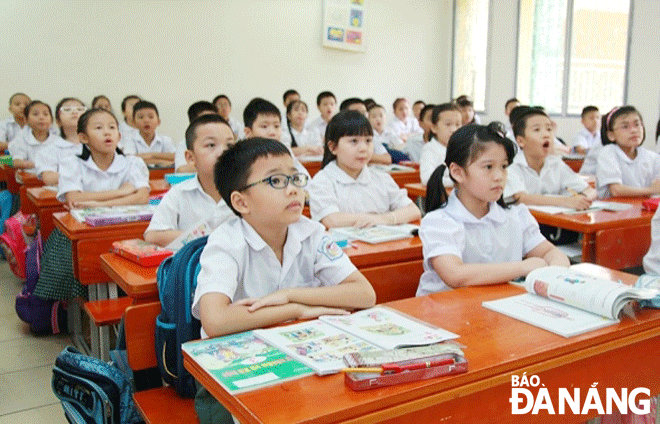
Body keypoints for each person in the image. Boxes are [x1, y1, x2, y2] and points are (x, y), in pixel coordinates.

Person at [191, 137, 376, 424]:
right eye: (276, 181)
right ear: (241, 202)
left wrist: (290, 294)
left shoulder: (311, 232)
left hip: (300, 359)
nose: (293, 189)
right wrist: (296, 310)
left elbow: (364, 294)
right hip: (232, 375)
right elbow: (215, 320)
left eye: (295, 178)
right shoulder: (226, 243)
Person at [417, 123, 569, 296]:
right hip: (444, 312)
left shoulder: (517, 215)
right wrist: (523, 267)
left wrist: (554, 273)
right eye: (488, 167)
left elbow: (549, 252)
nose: (499, 177)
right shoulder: (439, 221)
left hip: (497, 306)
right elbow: (455, 275)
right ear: (458, 172)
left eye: (504, 167)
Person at [35, 108, 149, 301]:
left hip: (124, 230)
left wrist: (93, 202)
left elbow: (142, 198)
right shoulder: (71, 162)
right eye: (98, 128)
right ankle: (76, 315)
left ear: (119, 135)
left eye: (112, 127)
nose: (107, 132)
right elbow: (75, 199)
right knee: (77, 270)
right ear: (83, 138)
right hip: (80, 233)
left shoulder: (133, 163)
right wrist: (122, 192)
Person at [308, 110, 421, 228]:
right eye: (353, 141)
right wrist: (378, 219)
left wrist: (383, 219)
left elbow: (413, 210)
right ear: (332, 147)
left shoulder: (381, 178)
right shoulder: (322, 180)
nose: (363, 148)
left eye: (368, 141)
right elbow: (332, 220)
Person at [144, 114, 235, 247]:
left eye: (230, 145)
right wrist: (209, 236)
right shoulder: (179, 193)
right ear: (190, 157)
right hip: (192, 265)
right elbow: (153, 236)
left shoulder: (247, 192)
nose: (223, 152)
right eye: (211, 145)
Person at [504, 107, 596, 209]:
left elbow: (589, 190)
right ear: (521, 141)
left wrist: (582, 199)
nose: (546, 134)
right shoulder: (512, 166)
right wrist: (567, 201)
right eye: (537, 130)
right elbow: (521, 198)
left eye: (549, 129)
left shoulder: (555, 164)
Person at [596, 106, 660, 198]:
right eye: (625, 127)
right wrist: (652, 190)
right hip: (613, 209)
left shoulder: (653, 157)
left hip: (643, 208)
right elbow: (616, 190)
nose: (634, 130)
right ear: (611, 135)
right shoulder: (609, 152)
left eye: (637, 124)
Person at [242, 97, 310, 177]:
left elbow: (303, 176)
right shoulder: (244, 158)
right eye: (264, 126)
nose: (272, 132)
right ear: (248, 133)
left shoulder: (285, 151)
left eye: (276, 126)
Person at [36, 98, 87, 185]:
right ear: (58, 121)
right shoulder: (48, 150)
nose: (75, 112)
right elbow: (49, 178)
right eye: (67, 109)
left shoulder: (99, 145)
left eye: (80, 109)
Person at [8, 100, 61, 174]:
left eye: (45, 114)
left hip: (55, 180)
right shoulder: (22, 139)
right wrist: (40, 164)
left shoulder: (58, 140)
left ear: (51, 120)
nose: (41, 117)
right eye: (35, 114)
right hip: (30, 179)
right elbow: (16, 162)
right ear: (26, 120)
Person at [419, 103, 462, 186]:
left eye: (457, 125)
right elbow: (427, 179)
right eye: (448, 124)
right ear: (434, 128)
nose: (454, 129)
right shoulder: (430, 149)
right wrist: (457, 182)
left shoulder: (462, 148)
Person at [123, 100, 175, 166]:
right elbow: (129, 160)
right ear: (134, 123)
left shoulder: (165, 139)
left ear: (158, 121)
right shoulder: (130, 139)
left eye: (151, 117)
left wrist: (151, 155)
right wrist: (161, 160)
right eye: (141, 117)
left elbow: (174, 157)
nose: (146, 120)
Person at [175, 101, 218, 173]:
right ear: (193, 123)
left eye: (214, 119)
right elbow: (181, 170)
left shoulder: (224, 141)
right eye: (206, 120)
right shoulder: (185, 144)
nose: (211, 124)